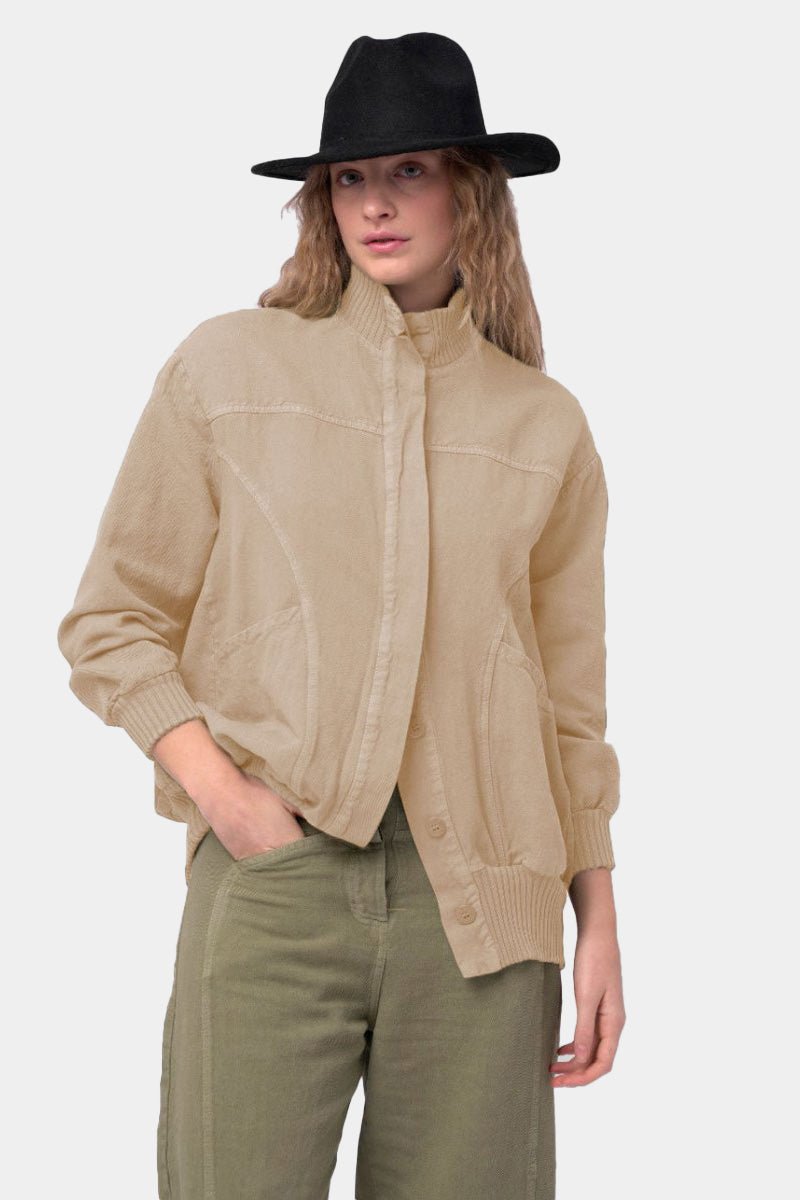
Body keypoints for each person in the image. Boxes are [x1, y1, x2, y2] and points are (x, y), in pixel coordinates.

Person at [56, 31, 625, 1200]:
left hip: (485, 911)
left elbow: (568, 706)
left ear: (471, 190)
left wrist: (597, 917)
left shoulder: (543, 425)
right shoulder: (228, 369)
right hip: (277, 879)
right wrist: (229, 804)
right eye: (350, 177)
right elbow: (112, 620)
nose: (374, 203)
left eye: (408, 171)